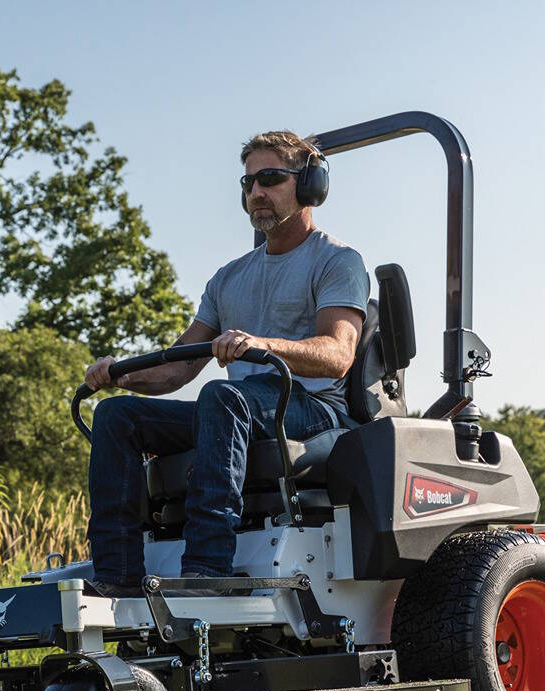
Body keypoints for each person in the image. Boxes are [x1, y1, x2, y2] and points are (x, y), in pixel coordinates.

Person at [82, 130, 369, 597]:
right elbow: (177, 368)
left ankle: (207, 570)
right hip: (235, 410)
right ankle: (116, 576)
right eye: (249, 182)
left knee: (223, 397)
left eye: (271, 178)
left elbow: (338, 355)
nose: (256, 192)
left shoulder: (337, 260)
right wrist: (119, 373)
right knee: (117, 416)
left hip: (313, 410)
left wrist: (262, 344)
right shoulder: (228, 279)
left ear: (310, 186)